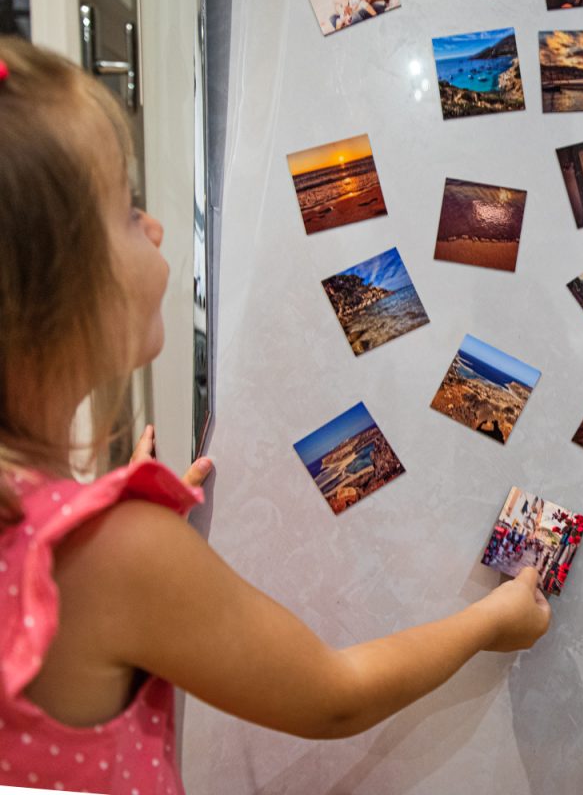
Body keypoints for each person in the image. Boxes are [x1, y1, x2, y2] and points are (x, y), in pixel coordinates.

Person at [0, 38, 551, 793]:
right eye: (128, 213)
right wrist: (495, 621)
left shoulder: (65, 540)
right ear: (55, 295)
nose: (156, 227)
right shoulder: (111, 554)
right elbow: (333, 696)